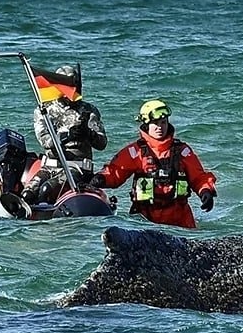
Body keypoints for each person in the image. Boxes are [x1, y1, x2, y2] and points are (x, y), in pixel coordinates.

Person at [87, 99, 217, 229]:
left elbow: (199, 177)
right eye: (155, 123)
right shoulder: (135, 152)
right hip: (144, 220)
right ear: (146, 125)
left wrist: (205, 191)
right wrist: (101, 178)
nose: (160, 127)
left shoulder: (183, 151)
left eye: (163, 122)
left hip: (180, 221)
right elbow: (116, 172)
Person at [22, 64, 108, 205]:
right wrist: (67, 136)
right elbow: (45, 140)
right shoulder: (44, 110)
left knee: (46, 190)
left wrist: (87, 133)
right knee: (28, 194)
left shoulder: (88, 110)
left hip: (77, 168)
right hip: (50, 167)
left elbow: (102, 143)